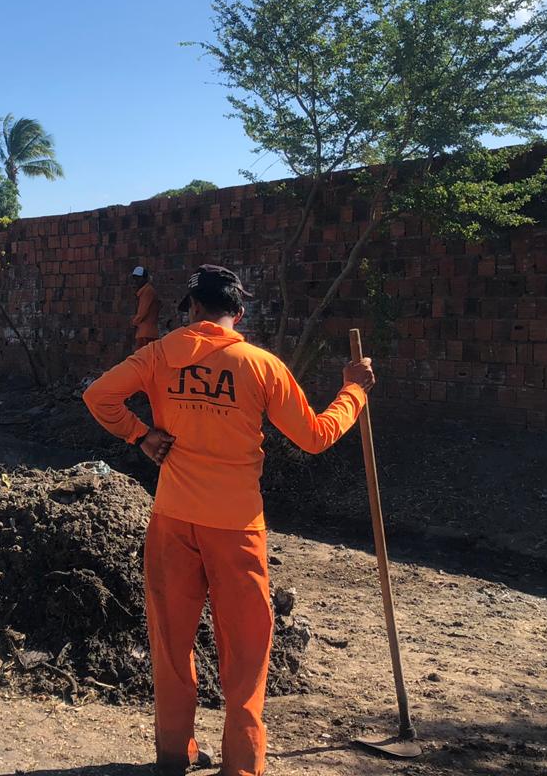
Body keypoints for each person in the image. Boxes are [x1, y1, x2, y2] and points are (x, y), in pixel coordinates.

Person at [83, 265, 374, 776]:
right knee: (245, 651)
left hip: (172, 520)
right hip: (237, 527)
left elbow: (98, 396)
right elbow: (316, 436)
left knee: (171, 644)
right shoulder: (260, 365)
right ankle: (241, 766)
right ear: (238, 314)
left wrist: (141, 435)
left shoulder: (158, 355)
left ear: (192, 309)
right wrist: (354, 391)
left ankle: (174, 755)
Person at [131, 266, 162, 350]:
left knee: (142, 360)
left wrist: (134, 322)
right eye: (135, 279)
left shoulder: (147, 291)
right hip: (147, 332)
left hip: (145, 333)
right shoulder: (146, 291)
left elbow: (142, 312)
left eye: (138, 278)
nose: (136, 281)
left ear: (144, 278)